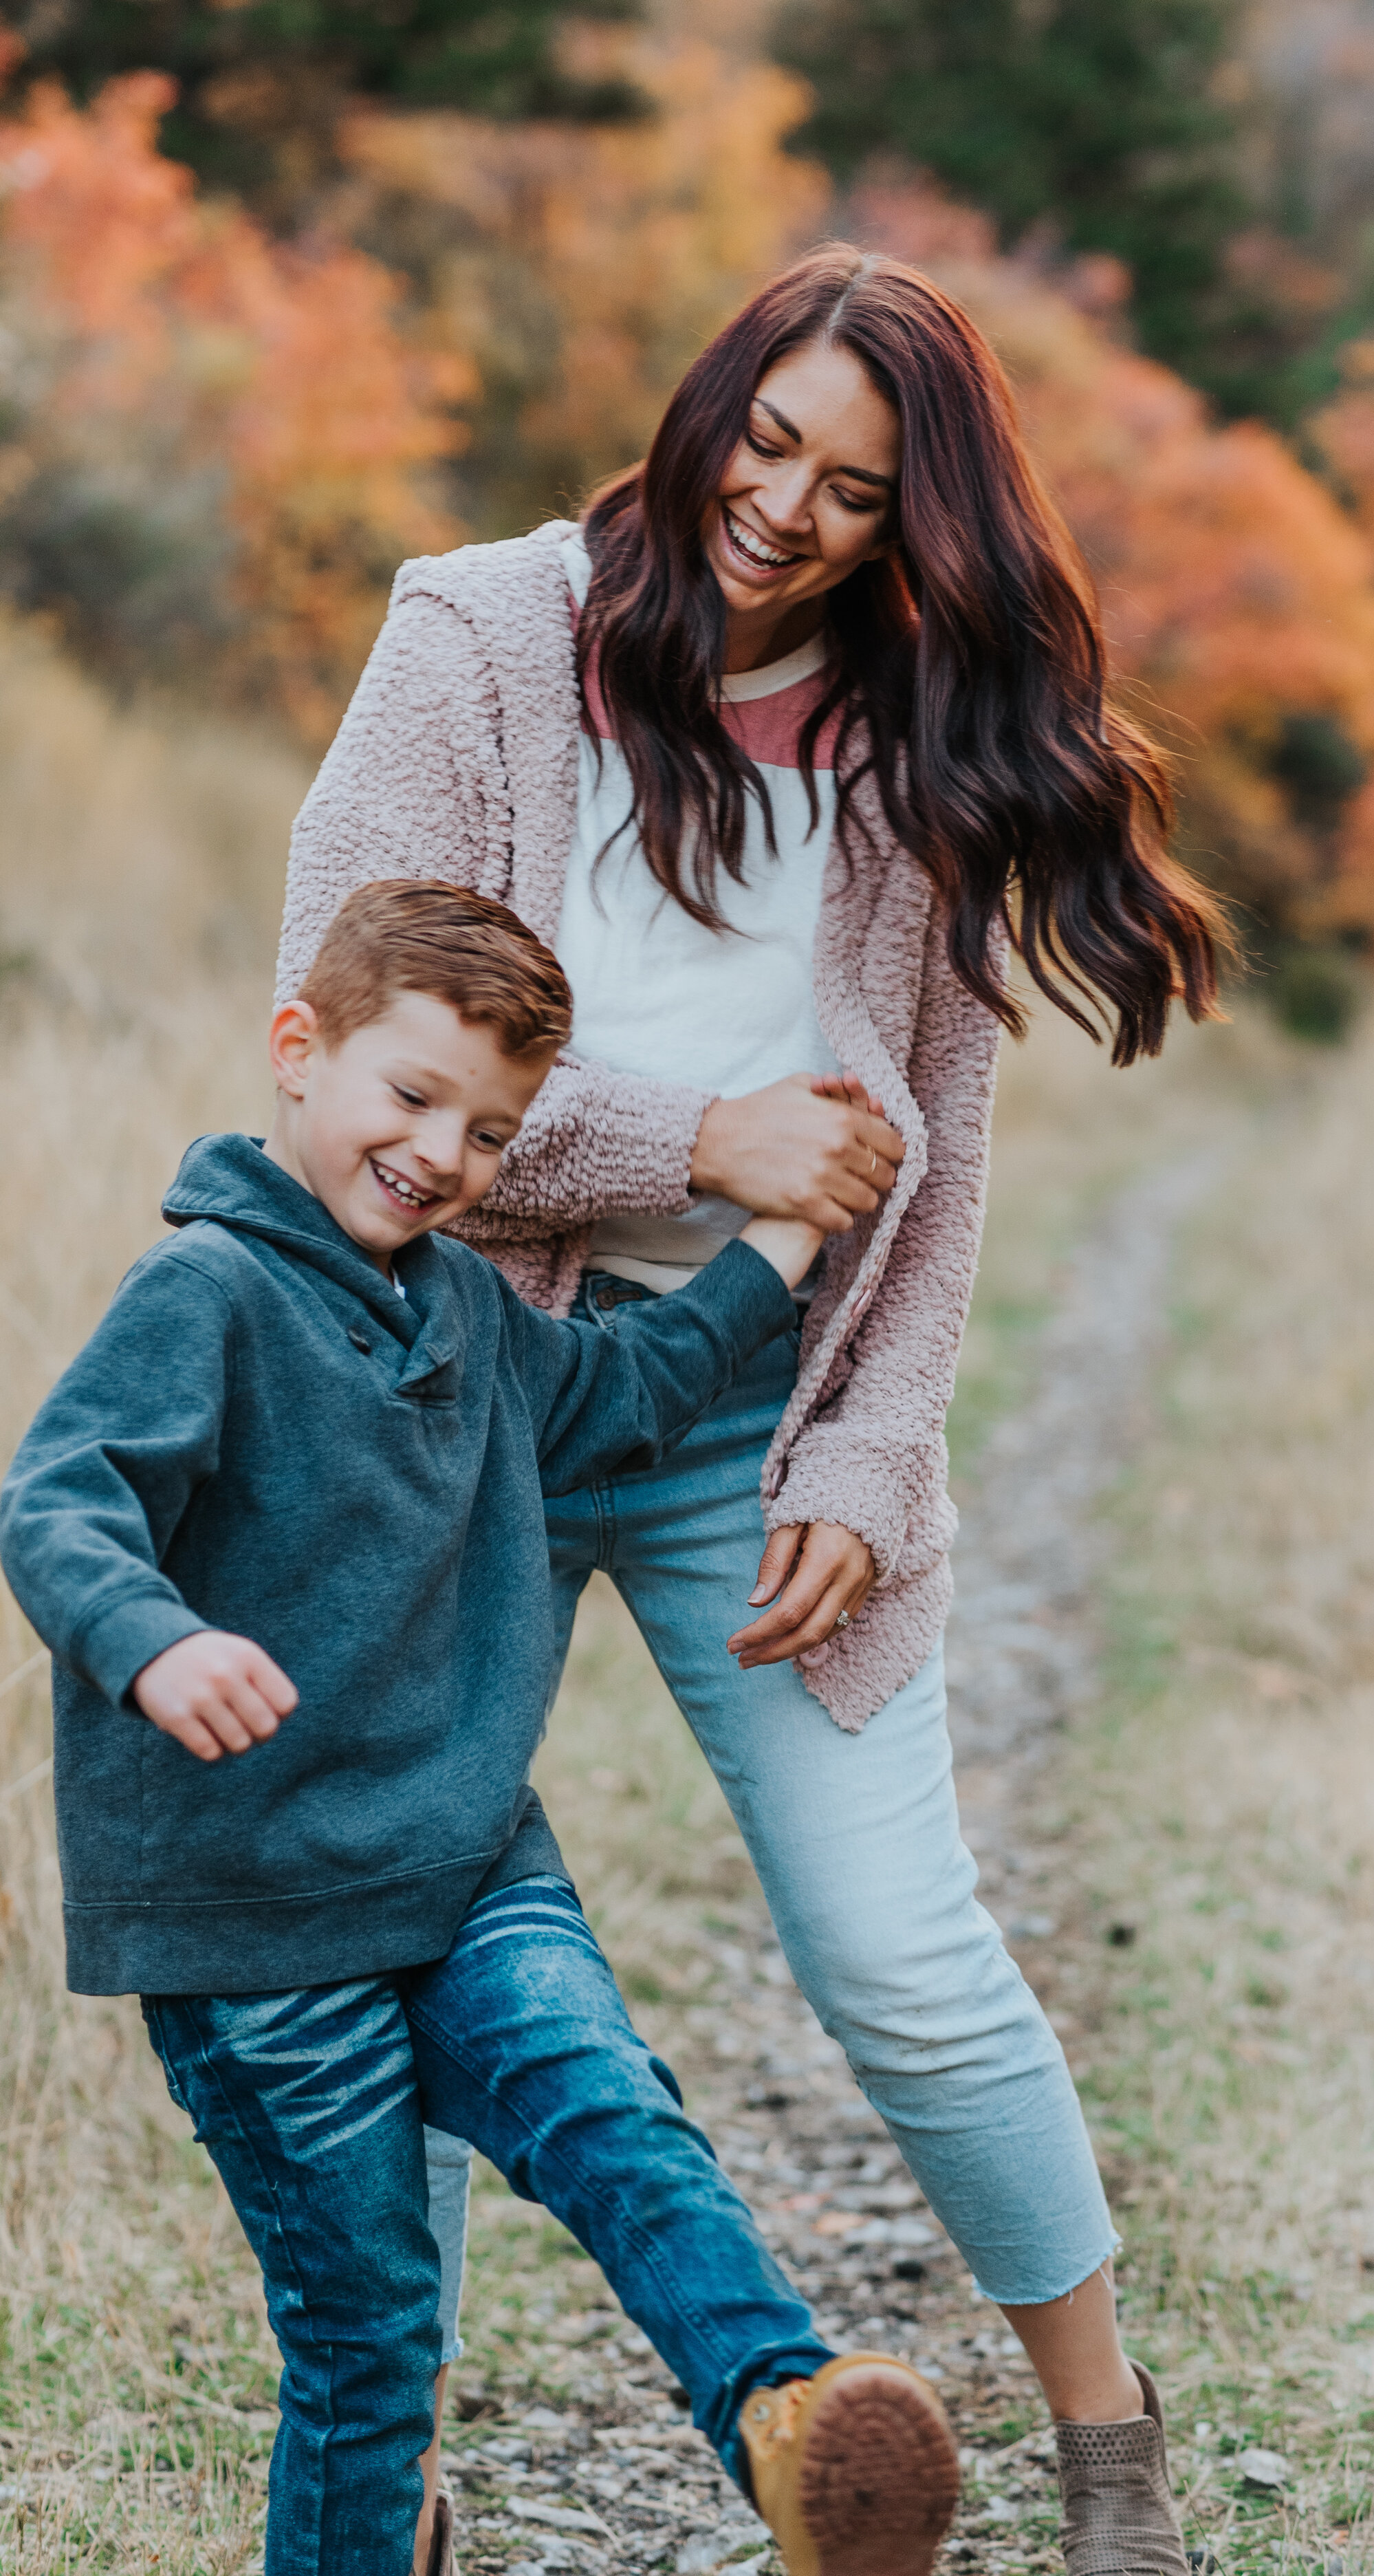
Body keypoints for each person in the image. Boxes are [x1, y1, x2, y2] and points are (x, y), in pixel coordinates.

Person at [279, 244, 1229, 2576]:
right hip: (443, 1383)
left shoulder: (918, 747)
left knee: (903, 1952)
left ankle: (1113, 2463)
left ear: (922, 522)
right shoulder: (481, 639)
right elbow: (350, 1038)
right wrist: (697, 1139)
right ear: (706, 404)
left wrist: (871, 1450)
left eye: (855, 488)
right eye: (768, 440)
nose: (785, 509)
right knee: (389, 1937)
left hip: (754, 1410)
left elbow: (937, 1150)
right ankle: (381, 2498)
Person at [0, 880, 963, 2576]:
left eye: (491, 1132)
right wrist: (156, 1642)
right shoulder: (206, 1291)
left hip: (461, 1865)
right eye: (412, 1096)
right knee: (372, 2338)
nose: (442, 1153)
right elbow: (60, 1499)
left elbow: (631, 1389)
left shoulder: (462, 1310)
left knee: (615, 2117)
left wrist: (783, 1238)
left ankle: (793, 2423)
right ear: (297, 1050)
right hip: (258, 1921)